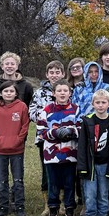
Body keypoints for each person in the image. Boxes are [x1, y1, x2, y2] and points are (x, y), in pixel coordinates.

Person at [77, 89, 109, 216]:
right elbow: (82, 145)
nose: (100, 105)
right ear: (92, 104)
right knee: (90, 193)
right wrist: (82, 166)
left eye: (104, 102)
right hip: (90, 164)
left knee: (103, 192)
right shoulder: (87, 121)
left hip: (105, 164)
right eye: (97, 102)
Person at [0, 81, 30, 216]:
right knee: (2, 180)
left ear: (16, 93)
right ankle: (3, 207)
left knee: (18, 180)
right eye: (6, 91)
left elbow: (25, 125)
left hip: (17, 149)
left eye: (11, 91)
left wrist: (19, 139)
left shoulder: (22, 106)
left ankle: (19, 207)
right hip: (1, 150)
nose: (8, 94)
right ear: (0, 93)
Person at [41, 80, 79, 216]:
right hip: (52, 155)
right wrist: (56, 133)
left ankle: (69, 208)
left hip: (70, 154)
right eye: (59, 91)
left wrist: (70, 131)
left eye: (65, 91)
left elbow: (81, 128)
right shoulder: (47, 110)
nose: (62, 93)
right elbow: (41, 131)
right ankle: (53, 207)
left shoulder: (76, 109)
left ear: (69, 93)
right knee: (53, 183)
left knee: (70, 182)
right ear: (53, 93)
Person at [29, 60, 65, 195]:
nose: (54, 75)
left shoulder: (68, 90)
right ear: (47, 74)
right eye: (51, 72)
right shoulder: (39, 93)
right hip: (45, 136)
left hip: (64, 136)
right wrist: (48, 116)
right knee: (47, 169)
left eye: (57, 72)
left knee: (63, 168)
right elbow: (31, 112)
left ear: (63, 74)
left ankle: (62, 200)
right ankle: (48, 202)